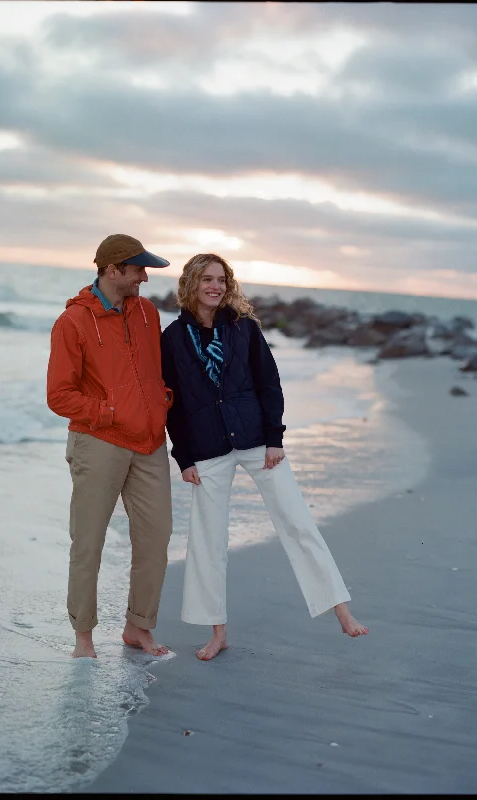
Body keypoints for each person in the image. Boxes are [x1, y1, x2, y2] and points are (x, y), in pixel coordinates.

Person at [161, 253, 369, 661]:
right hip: (206, 449)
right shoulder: (172, 338)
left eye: (222, 279)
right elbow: (172, 403)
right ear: (190, 284)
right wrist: (183, 457)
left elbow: (269, 384)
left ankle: (341, 610)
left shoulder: (245, 330)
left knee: (297, 520)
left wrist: (275, 437)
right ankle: (217, 632)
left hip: (258, 440)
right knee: (207, 541)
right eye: (207, 279)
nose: (215, 286)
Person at [47, 234, 174, 659]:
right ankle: (84, 637)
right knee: (88, 543)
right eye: (138, 269)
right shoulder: (73, 323)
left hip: (150, 442)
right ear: (112, 269)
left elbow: (153, 372)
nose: (145, 278)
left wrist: (160, 403)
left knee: (156, 539)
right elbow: (59, 395)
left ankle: (138, 627)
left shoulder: (147, 313)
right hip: (98, 441)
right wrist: (111, 412)